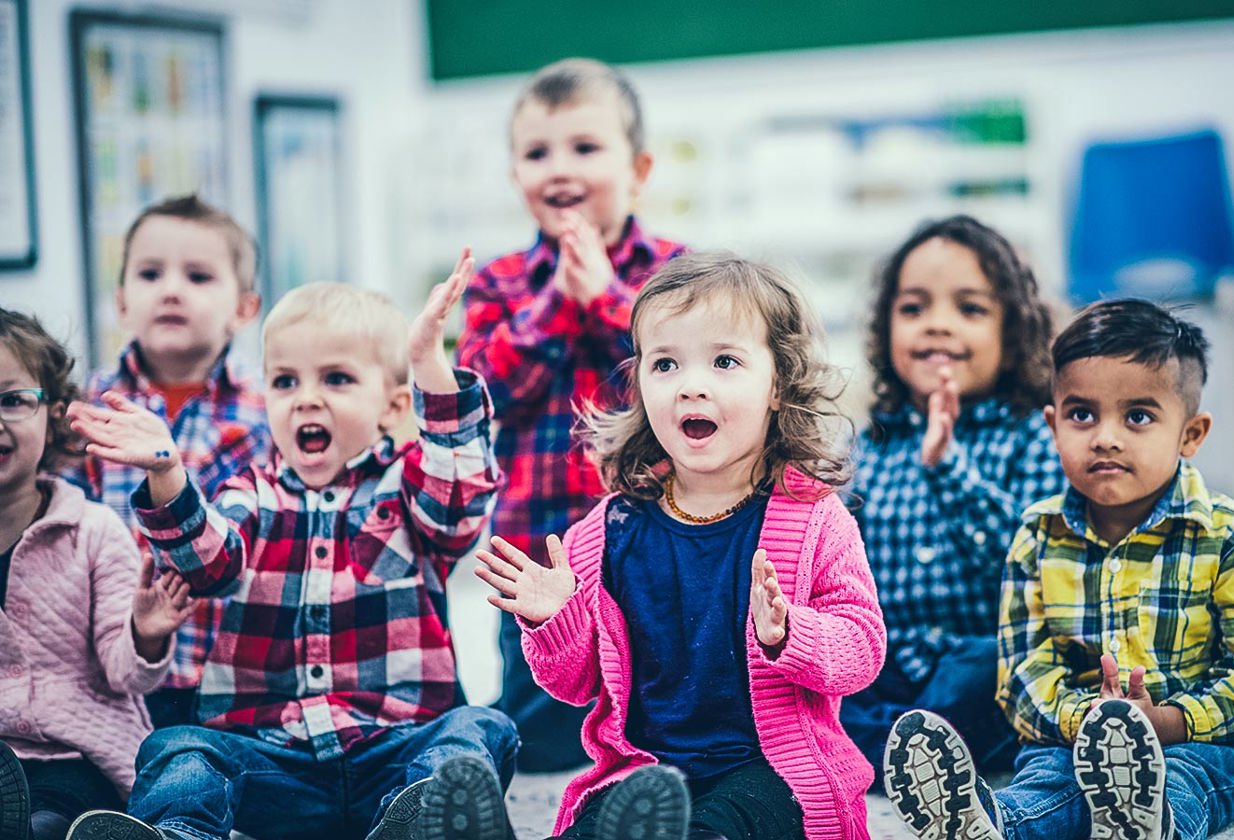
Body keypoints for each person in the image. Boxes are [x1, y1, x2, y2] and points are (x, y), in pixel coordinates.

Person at [65, 254, 518, 840]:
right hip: (273, 764)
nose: (305, 398)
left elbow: (459, 501)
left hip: (395, 752)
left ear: (393, 406)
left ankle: (425, 824)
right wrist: (168, 470)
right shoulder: (249, 493)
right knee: (178, 747)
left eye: (336, 379)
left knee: (477, 729)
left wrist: (427, 363)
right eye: (285, 381)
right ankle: (177, 832)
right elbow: (206, 563)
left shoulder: (409, 486)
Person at [472, 253, 887, 840]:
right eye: (665, 363)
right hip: (642, 774)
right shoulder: (610, 528)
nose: (692, 385)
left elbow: (863, 650)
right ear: (640, 384)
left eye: (724, 361)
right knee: (594, 826)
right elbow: (576, 684)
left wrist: (792, 632)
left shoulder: (815, 517)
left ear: (778, 386)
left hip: (771, 771)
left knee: (729, 823)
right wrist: (555, 620)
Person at [883, 299, 1234, 840]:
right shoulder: (1036, 537)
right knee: (1047, 782)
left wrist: (1163, 723)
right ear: (1053, 426)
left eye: (1138, 416)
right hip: (1072, 734)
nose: (1105, 437)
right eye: (1082, 415)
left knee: (1188, 780)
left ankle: (1153, 825)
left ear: (1190, 434)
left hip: (1201, 740)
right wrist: (1089, 723)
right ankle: (993, 825)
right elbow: (1024, 677)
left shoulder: (1233, 538)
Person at [456, 57, 687, 773]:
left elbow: (687, 380)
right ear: (514, 174)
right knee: (540, 728)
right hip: (536, 550)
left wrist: (612, 300)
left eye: (585, 148)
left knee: (662, 708)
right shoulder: (497, 283)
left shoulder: (680, 273)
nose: (560, 169)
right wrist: (561, 300)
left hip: (656, 542)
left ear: (639, 169)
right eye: (537, 152)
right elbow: (483, 394)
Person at [842, 216, 1062, 779]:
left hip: (978, 656)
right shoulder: (870, 446)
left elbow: (1030, 565)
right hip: (888, 661)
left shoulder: (1034, 436)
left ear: (1013, 335)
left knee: (1003, 673)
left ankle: (888, 748)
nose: (937, 326)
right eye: (913, 309)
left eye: (970, 309)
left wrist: (949, 468)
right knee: (795, 681)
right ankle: (903, 744)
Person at [79, 194, 271, 729]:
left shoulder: (267, 410)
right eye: (149, 273)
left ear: (244, 308)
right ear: (120, 301)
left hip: (237, 671)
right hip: (115, 667)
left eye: (198, 276)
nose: (170, 289)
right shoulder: (90, 410)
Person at [0, 308, 190, 840]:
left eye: (12, 400)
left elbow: (125, 674)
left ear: (55, 415)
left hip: (78, 753)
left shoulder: (93, 531)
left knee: (58, 814)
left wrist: (144, 635)